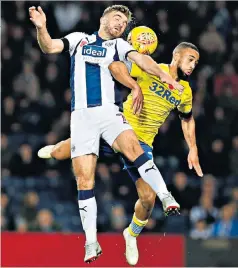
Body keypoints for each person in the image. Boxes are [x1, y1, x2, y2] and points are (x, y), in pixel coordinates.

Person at [29, 4, 183, 263]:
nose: (120, 24)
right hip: (81, 117)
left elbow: (142, 60)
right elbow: (49, 47)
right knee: (84, 180)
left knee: (134, 150)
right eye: (117, 18)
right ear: (103, 18)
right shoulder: (79, 39)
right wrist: (42, 28)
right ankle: (91, 243)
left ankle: (166, 196)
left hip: (108, 113)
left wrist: (164, 76)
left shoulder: (119, 46)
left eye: (124, 22)